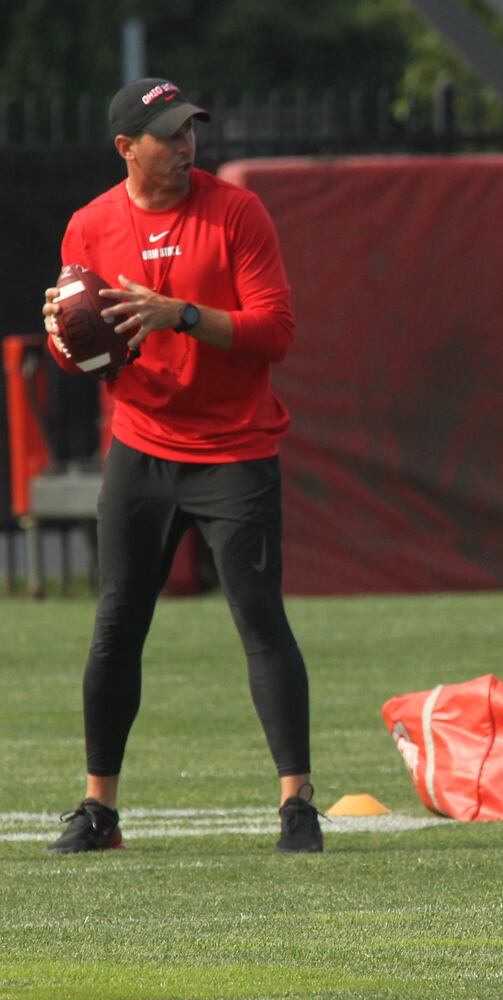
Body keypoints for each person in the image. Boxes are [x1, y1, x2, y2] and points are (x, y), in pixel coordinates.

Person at [40, 78, 322, 854]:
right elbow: (89, 357)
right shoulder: (91, 225)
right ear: (127, 147)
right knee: (115, 628)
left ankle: (296, 804)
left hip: (235, 449)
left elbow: (277, 332)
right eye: (168, 134)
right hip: (141, 448)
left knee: (261, 623)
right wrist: (67, 338)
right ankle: (100, 811)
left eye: (190, 129)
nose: (187, 144)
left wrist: (182, 316)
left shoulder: (236, 211)